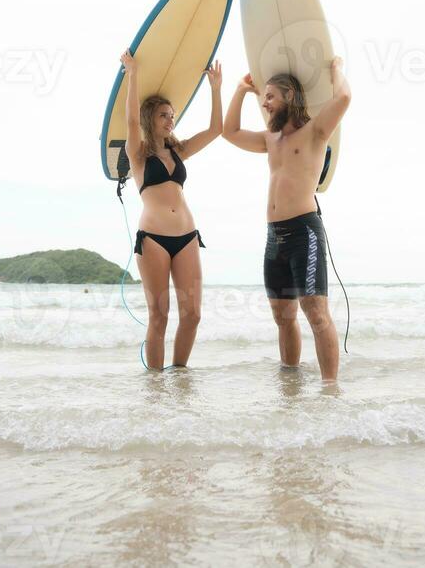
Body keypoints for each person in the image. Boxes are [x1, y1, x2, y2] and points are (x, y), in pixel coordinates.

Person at [222, 57, 351, 381]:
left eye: (270, 97)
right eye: (262, 97)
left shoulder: (315, 131)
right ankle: (291, 383)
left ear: (289, 97)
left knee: (316, 314)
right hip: (274, 237)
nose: (264, 103)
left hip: (304, 232)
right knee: (282, 315)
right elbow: (230, 132)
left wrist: (334, 69)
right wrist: (240, 89)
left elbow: (344, 98)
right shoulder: (270, 140)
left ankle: (329, 390)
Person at [119, 49, 223, 370]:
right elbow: (132, 119)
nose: (170, 119)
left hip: (187, 237)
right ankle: (155, 386)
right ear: (152, 118)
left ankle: (179, 375)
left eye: (173, 115)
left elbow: (215, 130)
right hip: (153, 239)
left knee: (192, 315)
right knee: (159, 316)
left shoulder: (178, 150)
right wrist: (133, 73)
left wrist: (215, 90)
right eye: (164, 114)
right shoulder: (138, 152)